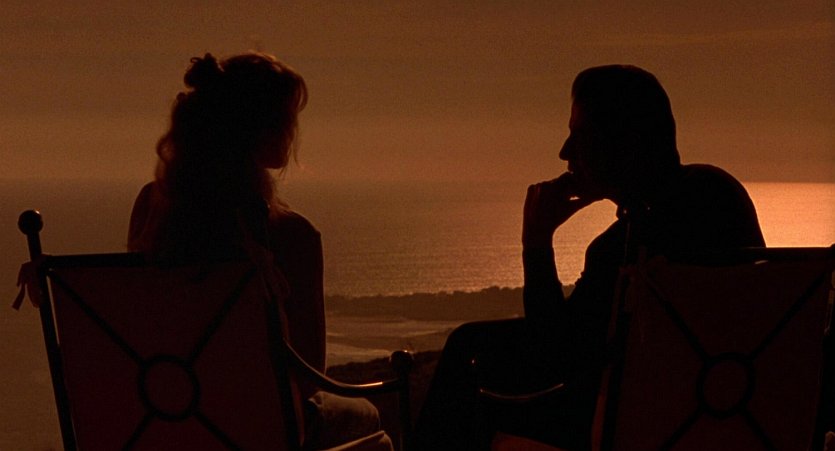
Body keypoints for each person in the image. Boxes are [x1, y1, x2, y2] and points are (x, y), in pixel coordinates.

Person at [414, 65, 765, 450]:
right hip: (728, 414)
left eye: (579, 136)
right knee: (472, 342)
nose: (565, 152)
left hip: (637, 425)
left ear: (625, 143)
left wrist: (536, 240)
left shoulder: (626, 247)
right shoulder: (720, 196)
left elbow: (553, 356)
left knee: (466, 357)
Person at [127, 52, 381, 450]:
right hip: (257, 428)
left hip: (167, 416)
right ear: (265, 132)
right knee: (370, 415)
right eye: (289, 119)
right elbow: (308, 376)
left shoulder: (151, 208)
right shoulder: (291, 234)